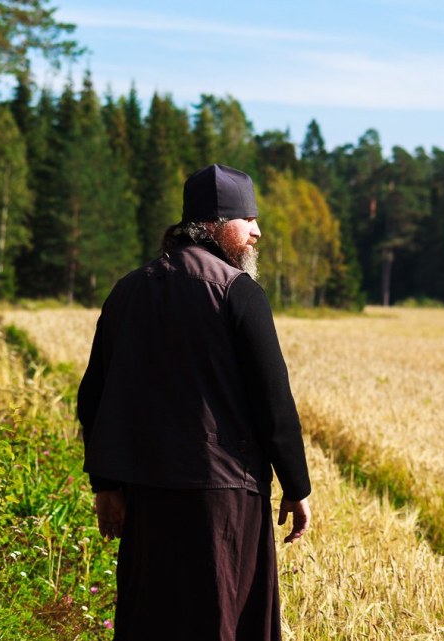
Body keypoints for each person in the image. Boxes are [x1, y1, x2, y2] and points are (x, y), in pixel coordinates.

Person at [77, 163, 312, 640]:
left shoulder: (128, 290)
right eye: (247, 220)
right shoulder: (237, 292)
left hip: (147, 497)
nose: (257, 232)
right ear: (214, 224)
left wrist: (106, 484)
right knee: (223, 622)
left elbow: (93, 397)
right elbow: (273, 401)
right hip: (223, 501)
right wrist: (297, 485)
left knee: (153, 624)